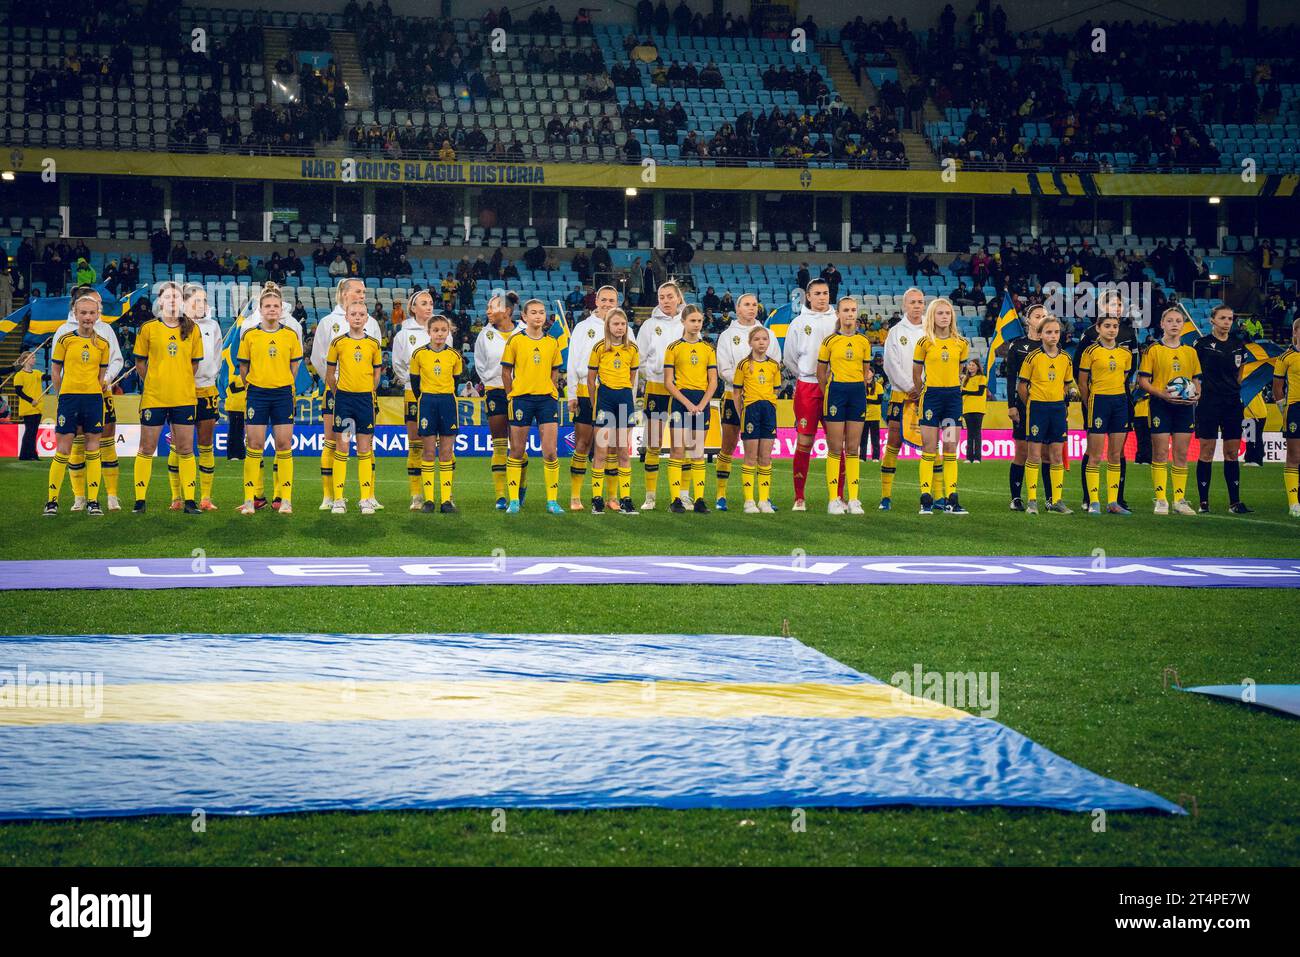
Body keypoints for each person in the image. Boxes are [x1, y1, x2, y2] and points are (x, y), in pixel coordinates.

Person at [311, 278, 383, 511]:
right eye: (358, 291)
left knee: (366, 444)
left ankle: (368, 495)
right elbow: (318, 358)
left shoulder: (371, 323)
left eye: (364, 292)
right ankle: (329, 496)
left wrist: (365, 385)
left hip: (363, 393)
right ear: (344, 293)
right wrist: (336, 385)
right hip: (337, 391)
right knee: (333, 442)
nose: (362, 295)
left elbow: (376, 362)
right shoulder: (327, 322)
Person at [132, 281, 203, 514]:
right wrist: (154, 381)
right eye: (168, 296)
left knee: (185, 448)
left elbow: (194, 364)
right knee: (146, 448)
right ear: (160, 301)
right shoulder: (148, 328)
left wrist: (179, 380)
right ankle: (140, 501)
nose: (173, 300)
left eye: (177, 296)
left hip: (183, 397)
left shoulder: (192, 328)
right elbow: (140, 363)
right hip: (154, 398)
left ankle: (190, 501)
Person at [54, 288, 125, 511]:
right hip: (73, 395)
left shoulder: (106, 330)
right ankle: (79, 497)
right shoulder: (63, 331)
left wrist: (107, 379)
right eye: (94, 302)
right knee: (75, 446)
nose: (94, 310)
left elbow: (117, 360)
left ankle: (112, 495)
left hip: (101, 393)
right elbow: (57, 367)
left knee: (106, 442)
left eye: (97, 306)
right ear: (77, 307)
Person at [237, 284, 303, 515]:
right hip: (257, 394)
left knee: (284, 445)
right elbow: (243, 367)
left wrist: (281, 380)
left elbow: (294, 365)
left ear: (281, 308)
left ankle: (285, 500)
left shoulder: (290, 334)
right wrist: (257, 383)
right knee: (254, 446)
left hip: (283, 394)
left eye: (276, 306)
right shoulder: (250, 334)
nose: (272, 309)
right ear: (261, 309)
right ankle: (249, 500)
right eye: (268, 306)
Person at [42, 293, 110, 516]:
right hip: (69, 398)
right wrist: (62, 395)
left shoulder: (103, 344)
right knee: (63, 450)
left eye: (92, 313)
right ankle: (52, 501)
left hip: (92, 399)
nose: (88, 317)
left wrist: (93, 391)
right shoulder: (64, 340)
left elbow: (101, 377)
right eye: (83, 313)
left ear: (98, 315)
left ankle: (93, 501)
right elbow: (55, 371)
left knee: (93, 449)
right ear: (76, 314)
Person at [881, 288, 947, 510]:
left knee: (932, 443)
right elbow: (890, 364)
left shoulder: (934, 332)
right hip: (902, 394)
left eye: (921, 302)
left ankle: (937, 496)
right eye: (913, 302)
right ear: (904, 305)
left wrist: (925, 389)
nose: (917, 305)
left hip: (930, 395)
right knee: (893, 441)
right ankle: (886, 497)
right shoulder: (895, 332)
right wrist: (911, 387)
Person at [1072, 290, 1138, 511]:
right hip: (1096, 400)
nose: (1116, 309)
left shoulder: (1128, 337)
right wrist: (1088, 398)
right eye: (1112, 304)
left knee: (1117, 453)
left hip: (1119, 399)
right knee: (1094, 451)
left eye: (1119, 305)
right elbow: (1079, 374)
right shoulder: (1090, 339)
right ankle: (1090, 499)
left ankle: (1115, 500)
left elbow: (1130, 371)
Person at [713, 293, 780, 511]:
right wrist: (744, 380)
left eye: (754, 305)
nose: (751, 308)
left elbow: (775, 365)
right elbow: (722, 368)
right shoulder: (727, 335)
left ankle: (763, 497)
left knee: (763, 451)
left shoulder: (767, 333)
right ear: (737, 308)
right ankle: (721, 493)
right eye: (746, 305)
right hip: (734, 395)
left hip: (761, 399)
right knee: (729, 445)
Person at [501, 298, 564, 514]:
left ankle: (552, 501)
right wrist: (511, 396)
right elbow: (506, 371)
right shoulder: (515, 341)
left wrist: (552, 390)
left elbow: (555, 370)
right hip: (521, 400)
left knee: (550, 452)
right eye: (534, 312)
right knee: (517, 450)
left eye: (541, 312)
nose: (538, 316)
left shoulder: (551, 342)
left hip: (546, 400)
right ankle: (514, 501)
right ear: (525, 317)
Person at [1138, 306, 1202, 515]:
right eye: (1170, 321)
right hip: (1160, 405)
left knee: (1181, 454)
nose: (1174, 324)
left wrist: (1196, 394)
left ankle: (1180, 500)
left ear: (1183, 325)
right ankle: (1161, 499)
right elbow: (1143, 381)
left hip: (1184, 408)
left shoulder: (1190, 352)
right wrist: (1162, 393)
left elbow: (1196, 380)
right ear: (1162, 324)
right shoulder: (1153, 350)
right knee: (1161, 452)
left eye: (1178, 321)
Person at [781, 279, 838, 510]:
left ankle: (838, 496)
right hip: (808, 386)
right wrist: (806, 376)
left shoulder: (837, 320)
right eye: (817, 293)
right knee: (805, 441)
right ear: (808, 296)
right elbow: (789, 358)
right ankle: (799, 497)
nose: (822, 297)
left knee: (836, 443)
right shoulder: (798, 323)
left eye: (825, 293)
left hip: (835, 387)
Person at [165, 285, 223, 511]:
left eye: (204, 301)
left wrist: (208, 377)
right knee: (179, 447)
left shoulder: (214, 326)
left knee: (206, 445)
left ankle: (206, 497)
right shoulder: (177, 326)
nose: (202, 305)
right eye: (197, 301)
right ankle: (176, 497)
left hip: (206, 391)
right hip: (181, 392)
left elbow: (217, 358)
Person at [326, 300, 384, 514]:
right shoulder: (338, 342)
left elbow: (377, 373)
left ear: (366, 318)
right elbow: (330, 374)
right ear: (347, 317)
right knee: (342, 447)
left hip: (365, 401)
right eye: (354, 314)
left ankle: (365, 499)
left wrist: (368, 390)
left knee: (364, 449)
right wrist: (338, 393)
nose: (358, 317)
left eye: (361, 314)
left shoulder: (373, 344)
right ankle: (339, 499)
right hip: (344, 400)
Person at [1193, 304, 1252, 513]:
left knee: (1231, 452)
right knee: (1207, 451)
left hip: (1232, 404)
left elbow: (1239, 374)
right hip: (1208, 403)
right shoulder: (1201, 344)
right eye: (1223, 318)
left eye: (1230, 319)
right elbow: (1194, 373)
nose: (1227, 322)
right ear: (1212, 320)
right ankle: (1203, 503)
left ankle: (1234, 503)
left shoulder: (1238, 345)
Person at [912, 297, 969, 514]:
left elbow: (961, 371)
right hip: (931, 398)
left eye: (947, 313)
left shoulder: (961, 343)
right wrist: (921, 393)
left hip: (952, 399)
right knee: (929, 447)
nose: (944, 317)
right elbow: (916, 374)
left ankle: (952, 498)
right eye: (940, 313)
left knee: (950, 448)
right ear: (932, 316)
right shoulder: (925, 342)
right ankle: (926, 498)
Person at [818, 296, 872, 514]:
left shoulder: (864, 342)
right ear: (838, 314)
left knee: (853, 447)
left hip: (857, 394)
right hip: (836, 393)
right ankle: (833, 499)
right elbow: (820, 373)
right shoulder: (829, 341)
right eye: (846, 310)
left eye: (853, 310)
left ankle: (854, 499)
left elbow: (865, 371)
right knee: (834, 447)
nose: (850, 314)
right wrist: (828, 394)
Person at [567, 285, 619, 511]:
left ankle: (611, 497)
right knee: (583, 444)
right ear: (596, 301)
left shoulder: (623, 328)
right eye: (604, 300)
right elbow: (571, 362)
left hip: (614, 392)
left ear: (617, 303)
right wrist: (571, 394)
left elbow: (632, 365)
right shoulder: (582, 327)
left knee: (612, 447)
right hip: (584, 391)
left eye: (612, 300)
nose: (607, 304)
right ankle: (575, 496)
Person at [1017, 315, 1074, 515]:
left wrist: (1065, 396)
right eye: (1049, 332)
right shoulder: (1032, 357)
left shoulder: (1066, 358)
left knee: (1056, 455)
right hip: (1038, 409)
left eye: (1056, 332)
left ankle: (1055, 501)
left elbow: (1067, 383)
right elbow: (1022, 386)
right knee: (1034, 455)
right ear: (1040, 334)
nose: (1053, 336)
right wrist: (1032, 404)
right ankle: (1032, 500)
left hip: (1058, 409)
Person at [635, 281, 685, 510]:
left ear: (678, 298)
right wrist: (655, 374)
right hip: (656, 388)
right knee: (653, 443)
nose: (665, 301)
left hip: (682, 391)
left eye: (669, 296)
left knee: (681, 445)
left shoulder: (687, 322)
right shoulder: (648, 325)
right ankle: (650, 496)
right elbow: (640, 359)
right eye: (661, 297)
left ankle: (681, 496)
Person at [663, 304, 718, 513]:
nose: (696, 325)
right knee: (677, 451)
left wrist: (702, 405)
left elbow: (713, 382)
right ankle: (675, 499)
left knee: (697, 452)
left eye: (699, 321)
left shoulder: (708, 349)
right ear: (683, 322)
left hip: (701, 403)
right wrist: (687, 403)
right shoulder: (673, 348)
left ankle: (700, 499)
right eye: (692, 321)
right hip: (680, 401)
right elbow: (669, 382)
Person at [586, 307, 640, 514]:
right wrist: (595, 403)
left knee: (623, 452)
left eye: (623, 324)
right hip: (604, 401)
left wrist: (628, 398)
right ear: (608, 326)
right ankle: (597, 499)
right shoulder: (599, 347)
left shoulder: (632, 349)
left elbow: (632, 379)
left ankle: (625, 499)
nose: (619, 327)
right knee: (600, 452)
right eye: (615, 324)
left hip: (624, 400)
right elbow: (591, 379)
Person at [1001, 302, 1053, 510]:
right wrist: (1011, 406)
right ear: (1028, 320)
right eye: (1037, 315)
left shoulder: (1053, 347)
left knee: (1048, 454)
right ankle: (1016, 498)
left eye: (1045, 315)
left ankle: (1051, 499)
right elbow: (1011, 377)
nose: (1041, 318)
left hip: (1048, 405)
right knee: (1022, 452)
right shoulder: (1017, 345)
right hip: (1023, 406)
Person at [410, 315, 463, 514]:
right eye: (436, 330)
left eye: (443, 330)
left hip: (448, 403)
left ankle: (446, 501)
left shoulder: (455, 356)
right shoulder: (418, 355)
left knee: (447, 453)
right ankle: (429, 500)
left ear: (448, 332)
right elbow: (415, 384)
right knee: (429, 452)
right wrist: (426, 397)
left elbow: (456, 382)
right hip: (427, 403)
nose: (440, 334)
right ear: (429, 332)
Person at [390, 289, 434, 510]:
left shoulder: (442, 329)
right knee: (416, 445)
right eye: (424, 303)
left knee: (443, 446)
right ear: (413, 308)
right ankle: (416, 494)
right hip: (414, 393)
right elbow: (398, 364)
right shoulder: (403, 334)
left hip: (440, 393)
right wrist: (413, 380)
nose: (428, 306)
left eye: (431, 303)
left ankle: (445, 494)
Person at [732, 326, 780, 513]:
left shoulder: (774, 365)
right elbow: (736, 393)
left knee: (766, 457)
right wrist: (740, 413)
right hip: (750, 410)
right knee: (751, 457)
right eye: (757, 339)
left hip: (768, 411)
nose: (761, 342)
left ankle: (763, 500)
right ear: (750, 342)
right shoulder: (744, 365)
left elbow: (775, 390)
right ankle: (749, 501)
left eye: (764, 339)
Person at [1273, 317, 1300, 516]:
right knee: (1294, 456)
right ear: (1295, 333)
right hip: (1295, 409)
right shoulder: (1285, 358)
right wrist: (1284, 410)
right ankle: (1293, 503)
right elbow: (1277, 388)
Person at [13, 352, 44, 461]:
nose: (34, 359)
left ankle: (26, 455)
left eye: (35, 357)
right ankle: (30, 454)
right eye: (32, 357)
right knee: (30, 432)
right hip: (28, 407)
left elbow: (45, 377)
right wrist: (31, 400)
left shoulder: (37, 372)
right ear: (25, 360)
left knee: (33, 432)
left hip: (38, 408)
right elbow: (18, 392)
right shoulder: (19, 375)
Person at [960, 358, 987, 463]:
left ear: (977, 367)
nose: (971, 367)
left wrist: (966, 391)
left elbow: (979, 392)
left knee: (977, 433)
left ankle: (977, 457)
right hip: (967, 408)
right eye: (970, 365)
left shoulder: (982, 378)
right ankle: (969, 457)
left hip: (978, 408)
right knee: (969, 434)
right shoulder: (965, 379)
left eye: (973, 365)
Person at [862, 363, 884, 462]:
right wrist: (869, 400)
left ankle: (875, 457)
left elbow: (879, 401)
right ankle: (862, 457)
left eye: (869, 372)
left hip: (875, 416)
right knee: (863, 438)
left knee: (875, 438)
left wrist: (867, 400)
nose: (867, 374)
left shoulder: (879, 386)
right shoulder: (862, 385)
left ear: (873, 374)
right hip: (864, 415)